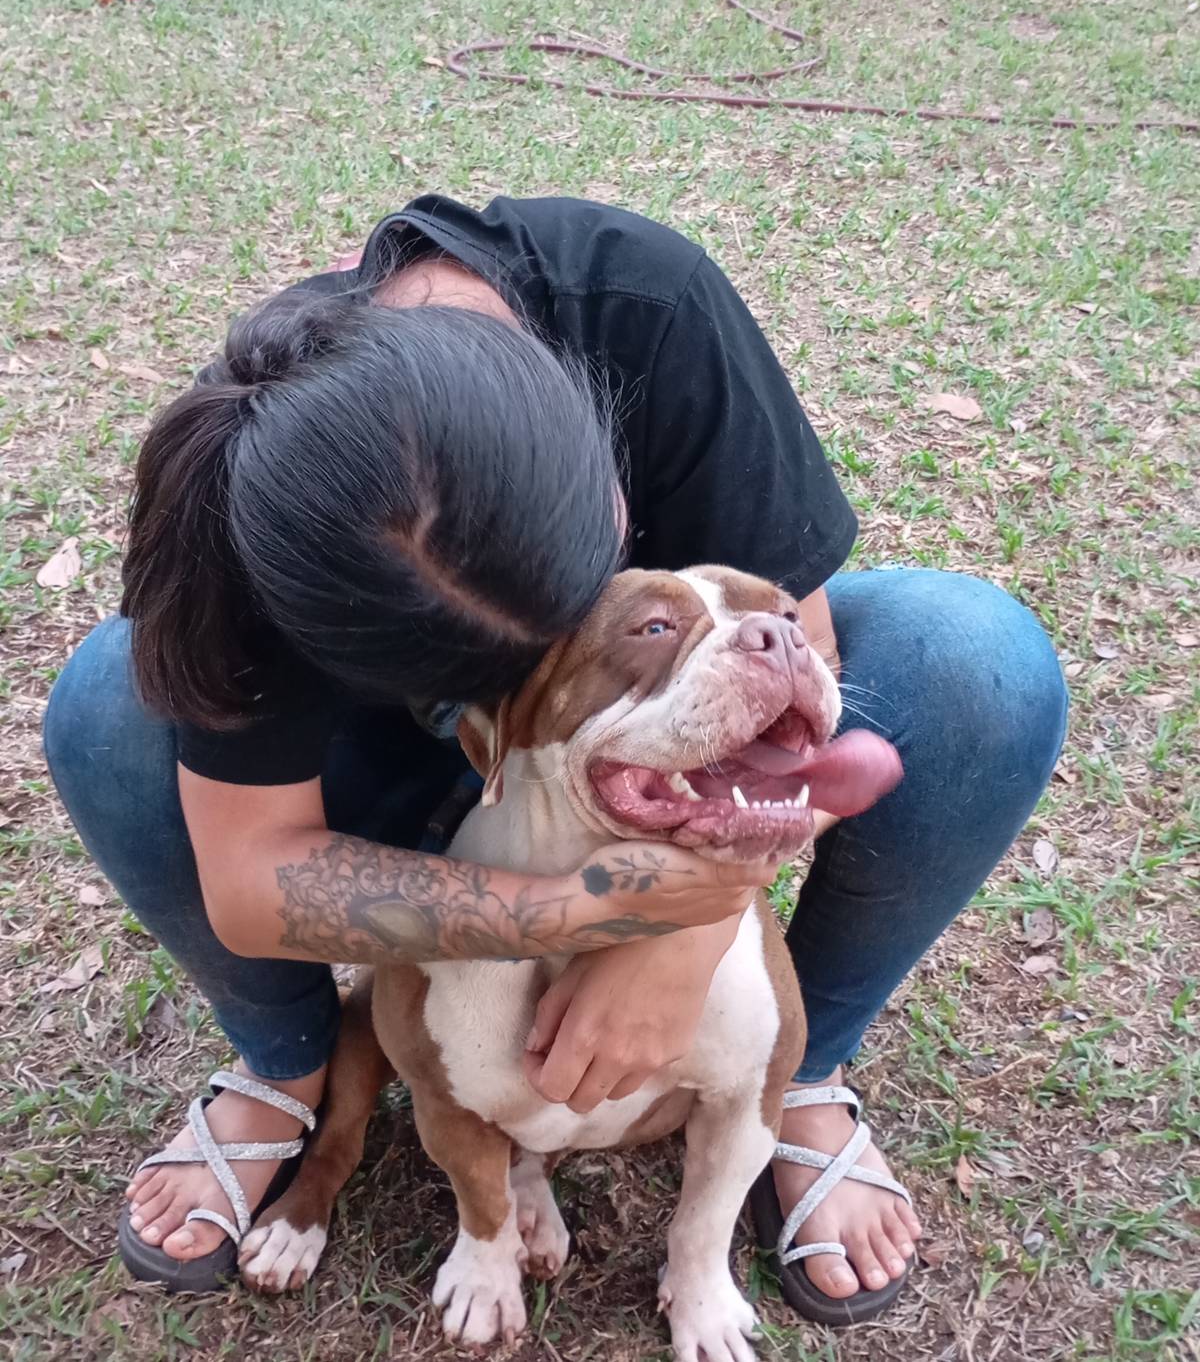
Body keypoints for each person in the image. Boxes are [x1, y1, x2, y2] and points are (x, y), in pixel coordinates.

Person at [43, 195, 1068, 1324]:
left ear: (596, 440)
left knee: (978, 662)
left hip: (668, 746)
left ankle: (802, 1067)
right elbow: (250, 877)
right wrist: (588, 911)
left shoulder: (649, 310)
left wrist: (682, 932)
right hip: (384, 790)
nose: (511, 677)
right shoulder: (257, 475)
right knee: (110, 703)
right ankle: (287, 1065)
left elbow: (803, 664)